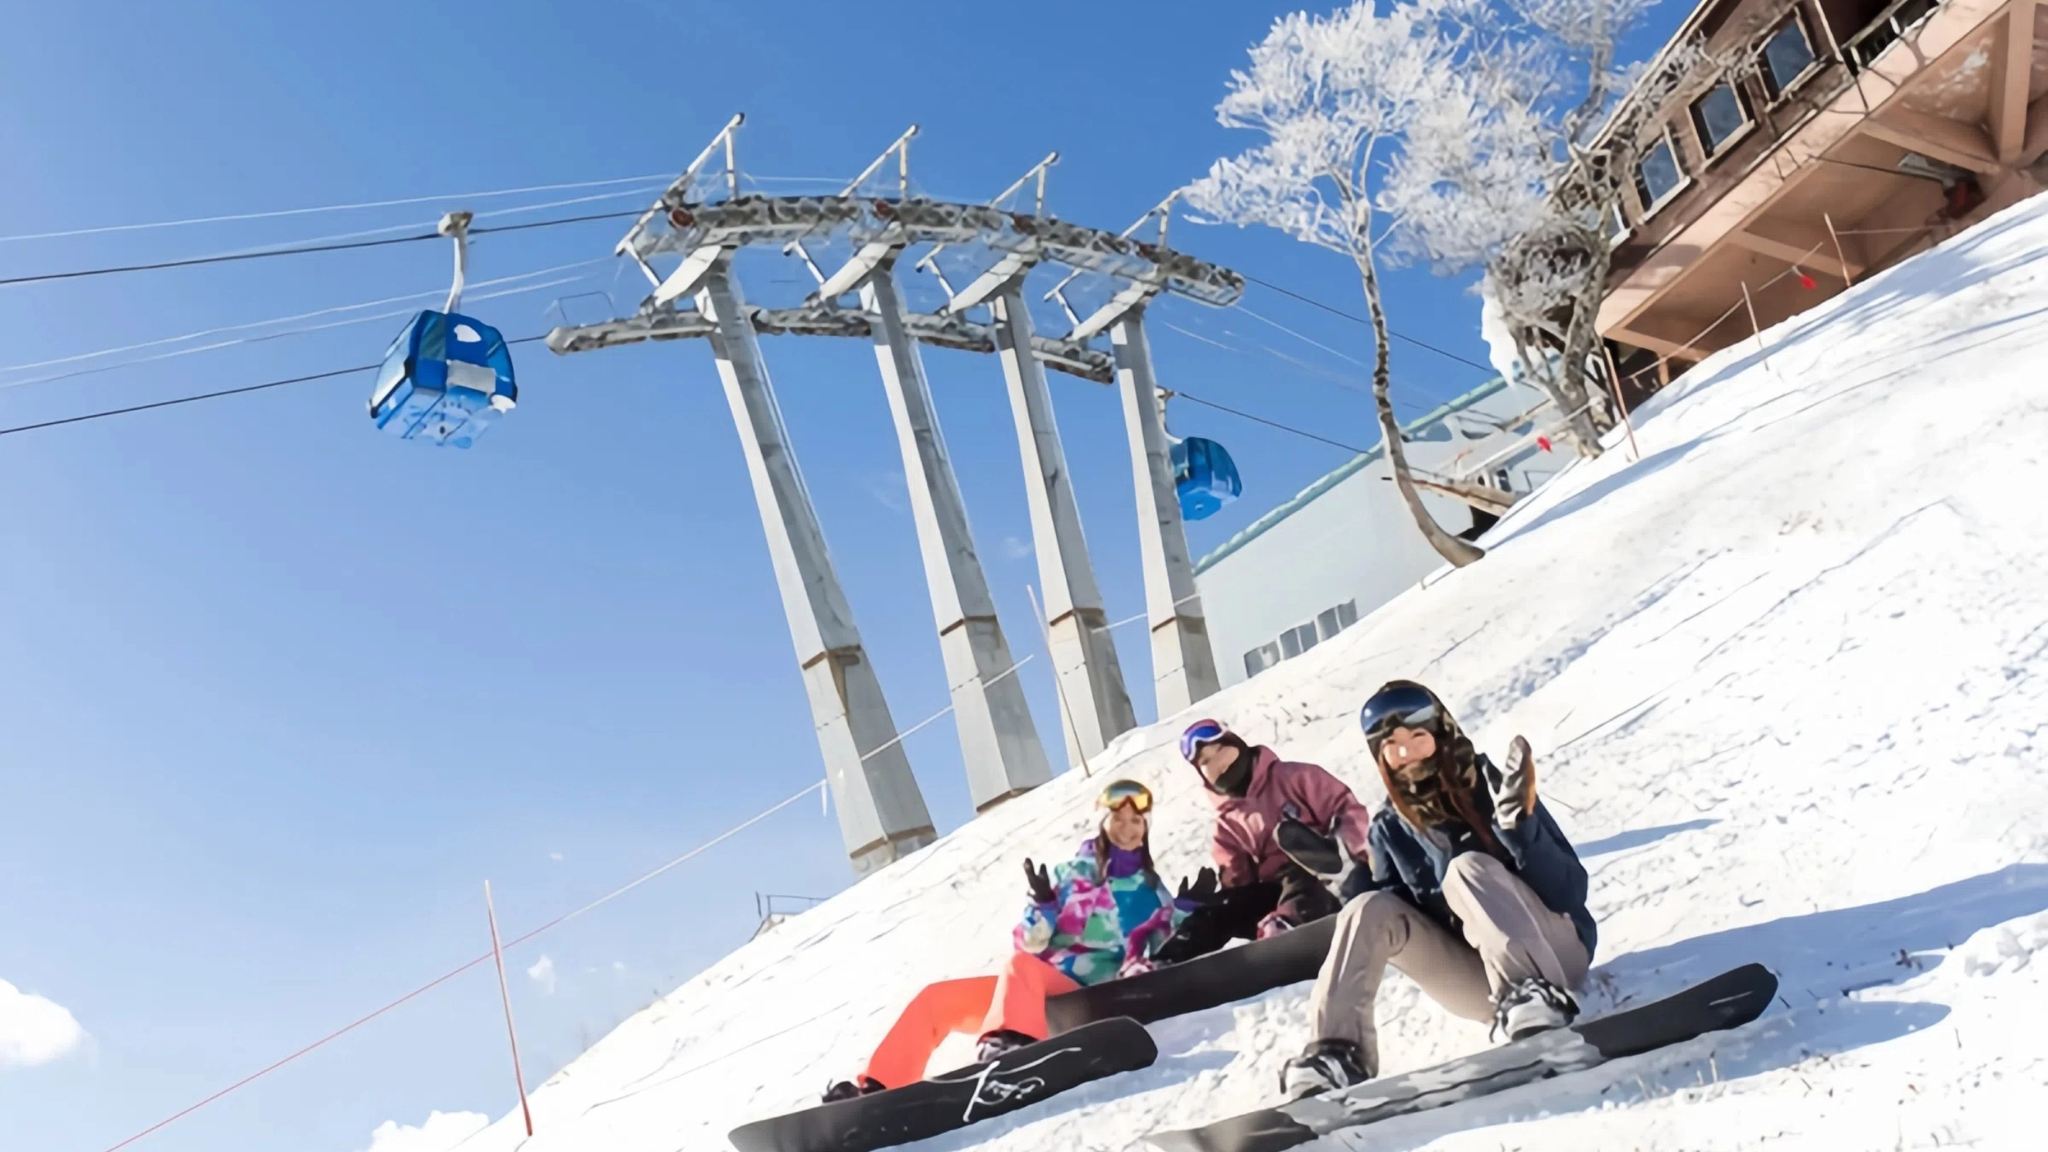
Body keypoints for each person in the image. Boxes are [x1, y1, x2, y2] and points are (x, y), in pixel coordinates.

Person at [1280, 679, 1597, 1098]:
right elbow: (1400, 923)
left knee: (1465, 869)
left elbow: (1570, 892)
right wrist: (1352, 884)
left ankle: (1532, 994)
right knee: (1367, 907)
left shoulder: (1490, 786)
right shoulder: (1389, 828)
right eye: (1391, 745)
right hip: (1484, 986)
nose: (1406, 752)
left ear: (1441, 733)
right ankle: (1336, 1053)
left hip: (1556, 956)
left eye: (1417, 736)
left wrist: (1521, 829)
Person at [821, 778, 1215, 1102]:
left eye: (1136, 821)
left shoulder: (1149, 891)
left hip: (1087, 994)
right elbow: (1029, 944)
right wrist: (1043, 906)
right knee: (936, 1000)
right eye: (1119, 819)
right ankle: (877, 1089)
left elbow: (1162, 947)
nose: (1127, 829)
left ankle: (1012, 1050)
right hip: (1032, 993)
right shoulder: (1069, 874)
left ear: (1145, 828)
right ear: (1102, 823)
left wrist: (1186, 909)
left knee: (1021, 968)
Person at [1168, 718, 1374, 951]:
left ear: (1236, 744)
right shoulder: (1226, 824)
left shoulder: (1294, 776)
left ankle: (1288, 925)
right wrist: (1212, 902)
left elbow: (1347, 811)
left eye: (1219, 749)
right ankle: (1169, 957)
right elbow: (1240, 883)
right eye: (1205, 761)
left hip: (1330, 878)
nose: (1217, 762)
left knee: (1296, 864)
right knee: (1223, 909)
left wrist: (1344, 849)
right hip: (1276, 894)